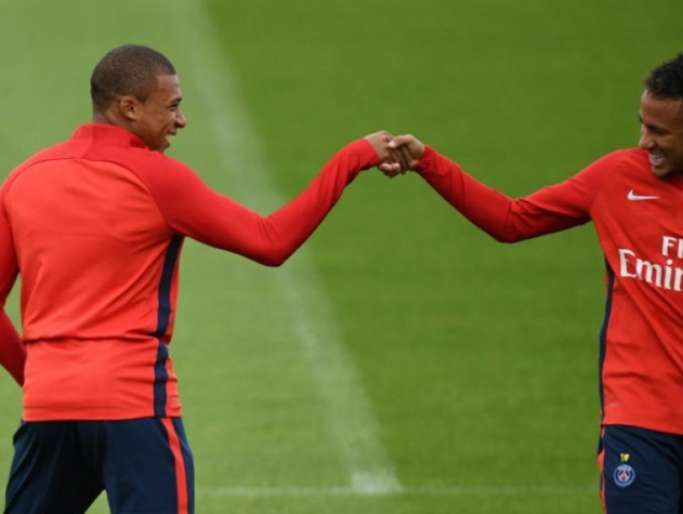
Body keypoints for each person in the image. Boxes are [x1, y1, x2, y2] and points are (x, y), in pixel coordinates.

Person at [0, 44, 405, 514]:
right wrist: (353, 158)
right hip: (134, 407)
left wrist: (35, 375)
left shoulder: (24, 178)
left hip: (50, 407)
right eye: (171, 106)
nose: (182, 119)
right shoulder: (157, 178)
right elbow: (270, 241)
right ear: (129, 109)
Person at [383, 55, 683, 514]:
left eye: (659, 132)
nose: (644, 141)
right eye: (643, 125)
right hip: (637, 419)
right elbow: (511, 220)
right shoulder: (616, 178)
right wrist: (428, 163)